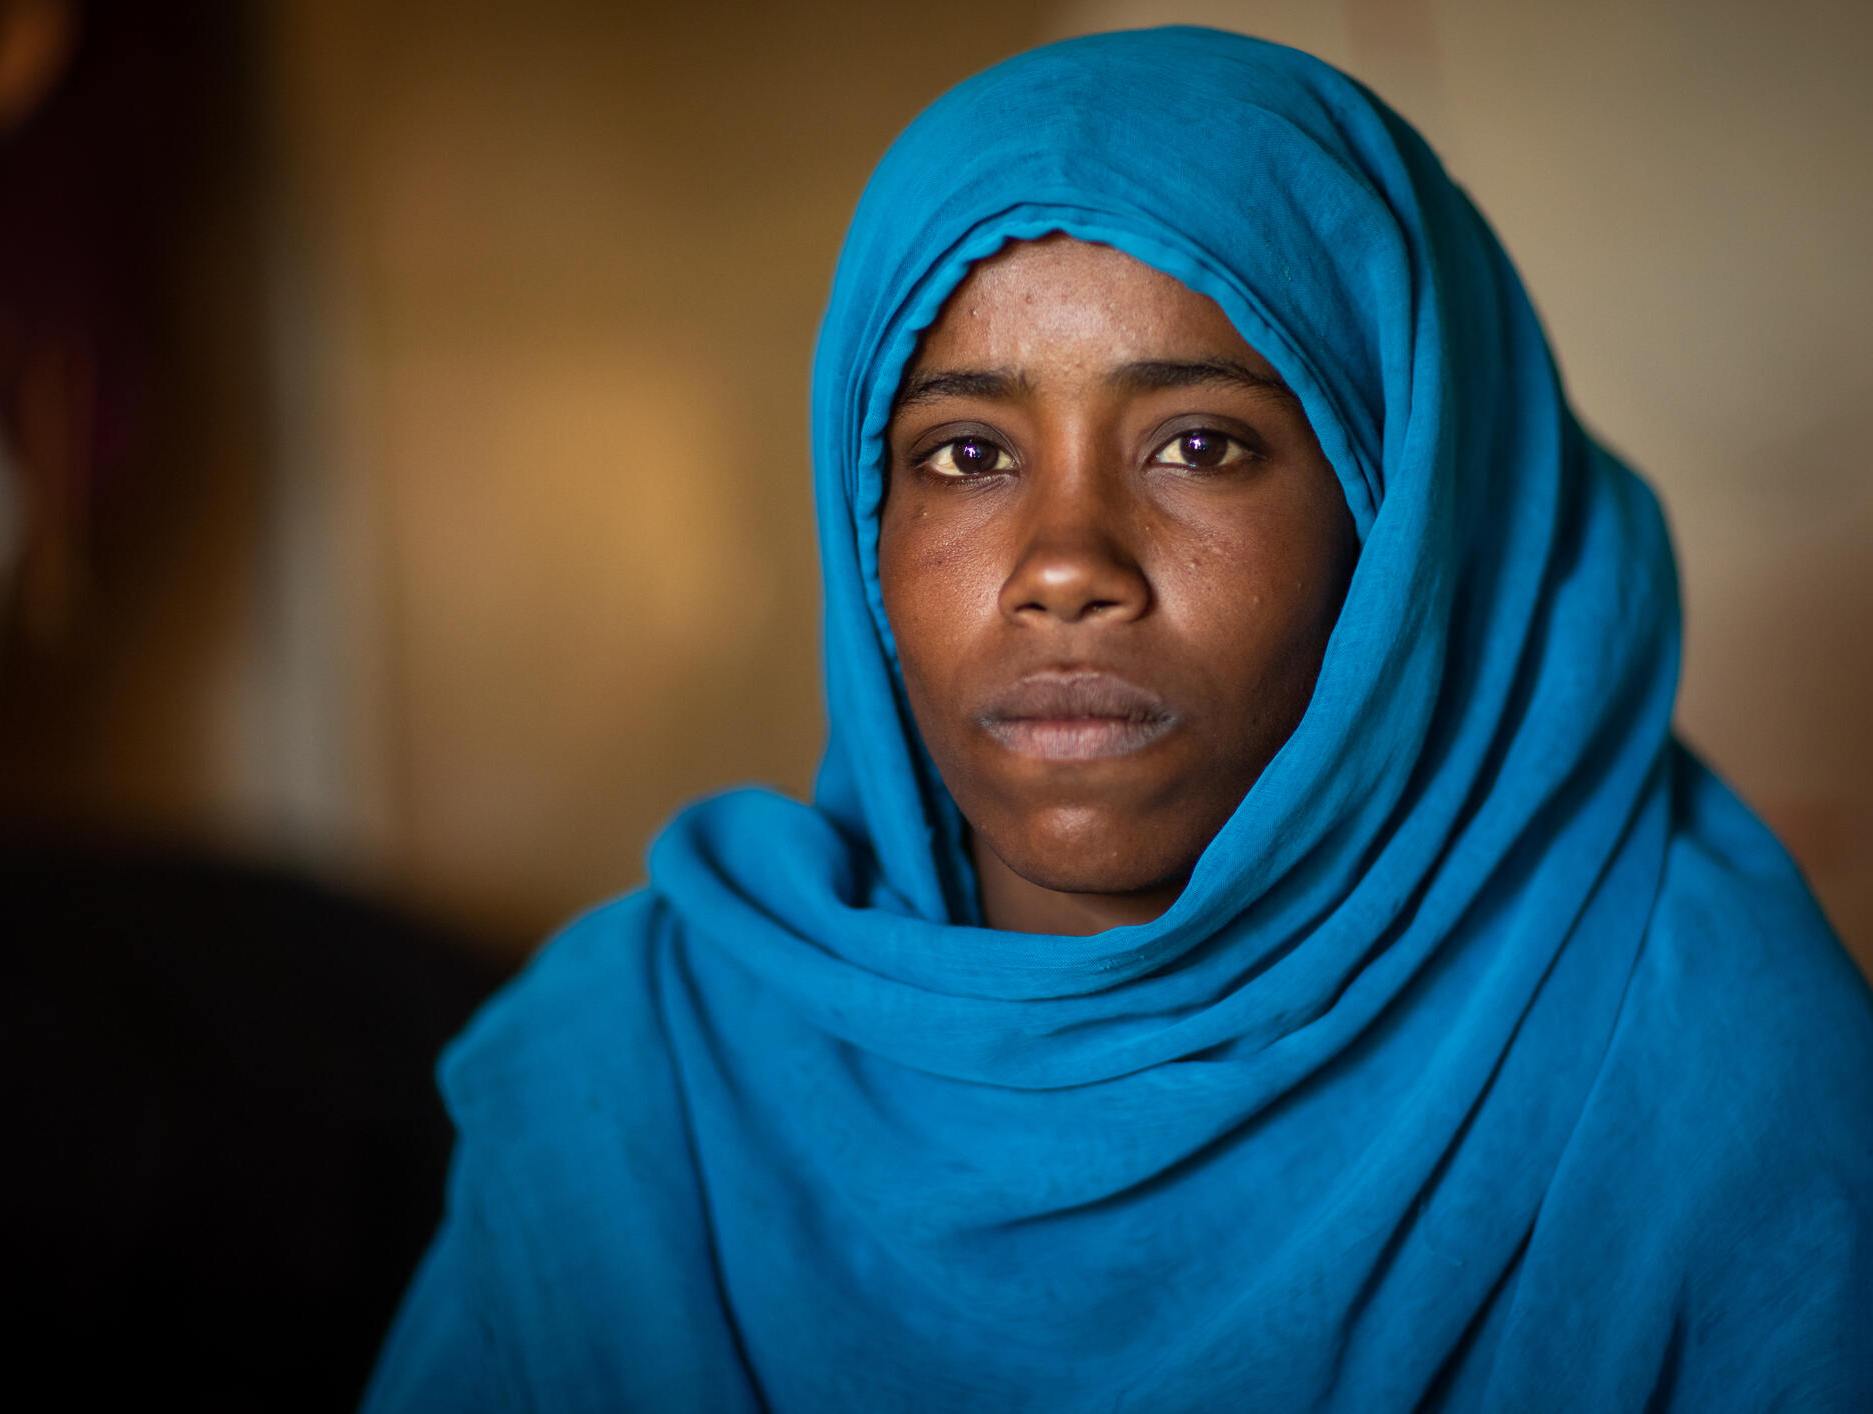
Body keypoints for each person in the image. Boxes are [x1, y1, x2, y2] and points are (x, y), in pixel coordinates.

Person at [362, 27, 1873, 1412]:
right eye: (964, 453)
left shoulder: (1702, 1054)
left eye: (1200, 443)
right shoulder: (644, 1079)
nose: (1066, 563)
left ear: (1404, 526)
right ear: (861, 534)